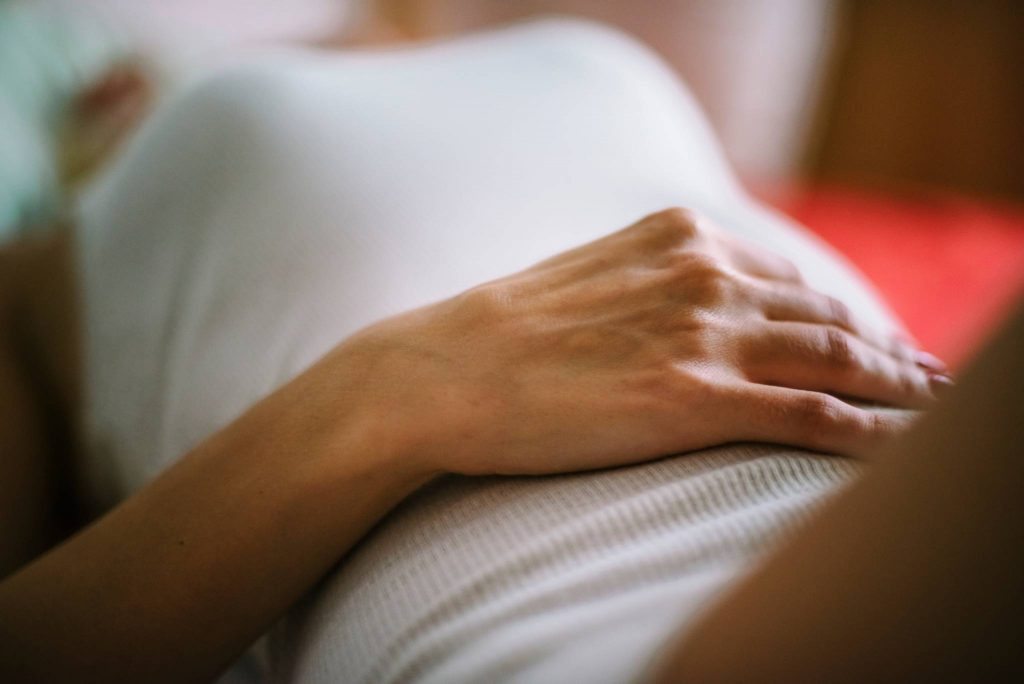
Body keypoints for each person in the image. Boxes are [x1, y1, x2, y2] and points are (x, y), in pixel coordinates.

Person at [0, 16, 1020, 684]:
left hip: (860, 493)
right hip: (601, 613)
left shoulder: (465, 48)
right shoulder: (40, 265)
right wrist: (396, 389)